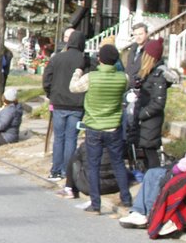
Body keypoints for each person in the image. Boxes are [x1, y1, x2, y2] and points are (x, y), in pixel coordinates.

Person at [120, 98, 186, 229]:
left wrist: (174, 169)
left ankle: (149, 213)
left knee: (157, 175)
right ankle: (138, 212)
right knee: (152, 173)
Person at [68, 43, 131, 214]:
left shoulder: (91, 77)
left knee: (93, 165)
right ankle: (126, 198)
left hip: (94, 127)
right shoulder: (123, 78)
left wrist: (79, 70)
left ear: (99, 59)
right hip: (113, 126)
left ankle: (95, 204)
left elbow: (73, 87)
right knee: (118, 163)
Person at [43, 29, 87, 180]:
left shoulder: (57, 58)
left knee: (59, 138)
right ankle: (67, 171)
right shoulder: (84, 60)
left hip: (59, 103)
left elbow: (47, 78)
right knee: (71, 139)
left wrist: (51, 94)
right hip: (77, 104)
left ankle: (55, 169)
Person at [129, 38, 177, 170]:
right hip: (144, 119)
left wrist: (141, 114)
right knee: (144, 150)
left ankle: (154, 179)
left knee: (150, 152)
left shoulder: (158, 75)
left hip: (151, 120)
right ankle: (148, 179)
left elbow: (159, 102)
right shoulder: (149, 73)